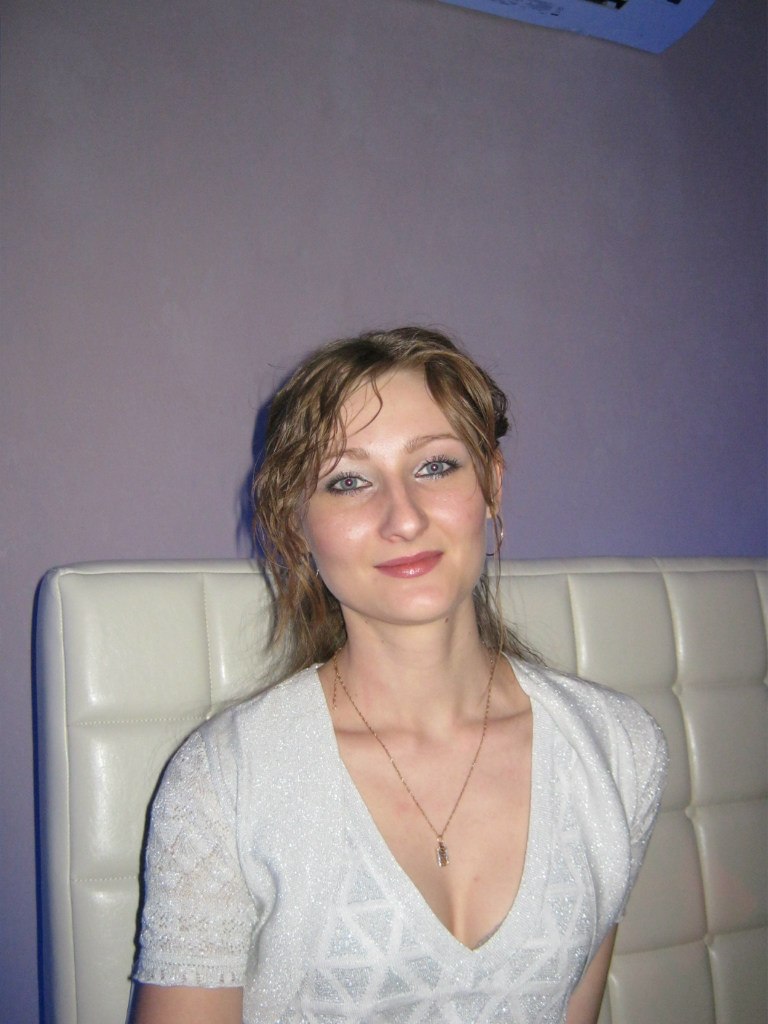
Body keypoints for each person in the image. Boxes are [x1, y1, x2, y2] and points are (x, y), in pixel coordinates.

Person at [130, 326, 668, 1024]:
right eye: (348, 481)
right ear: (297, 526)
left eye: (435, 466)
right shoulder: (225, 781)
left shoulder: (619, 748)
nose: (403, 518)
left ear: (491, 484)